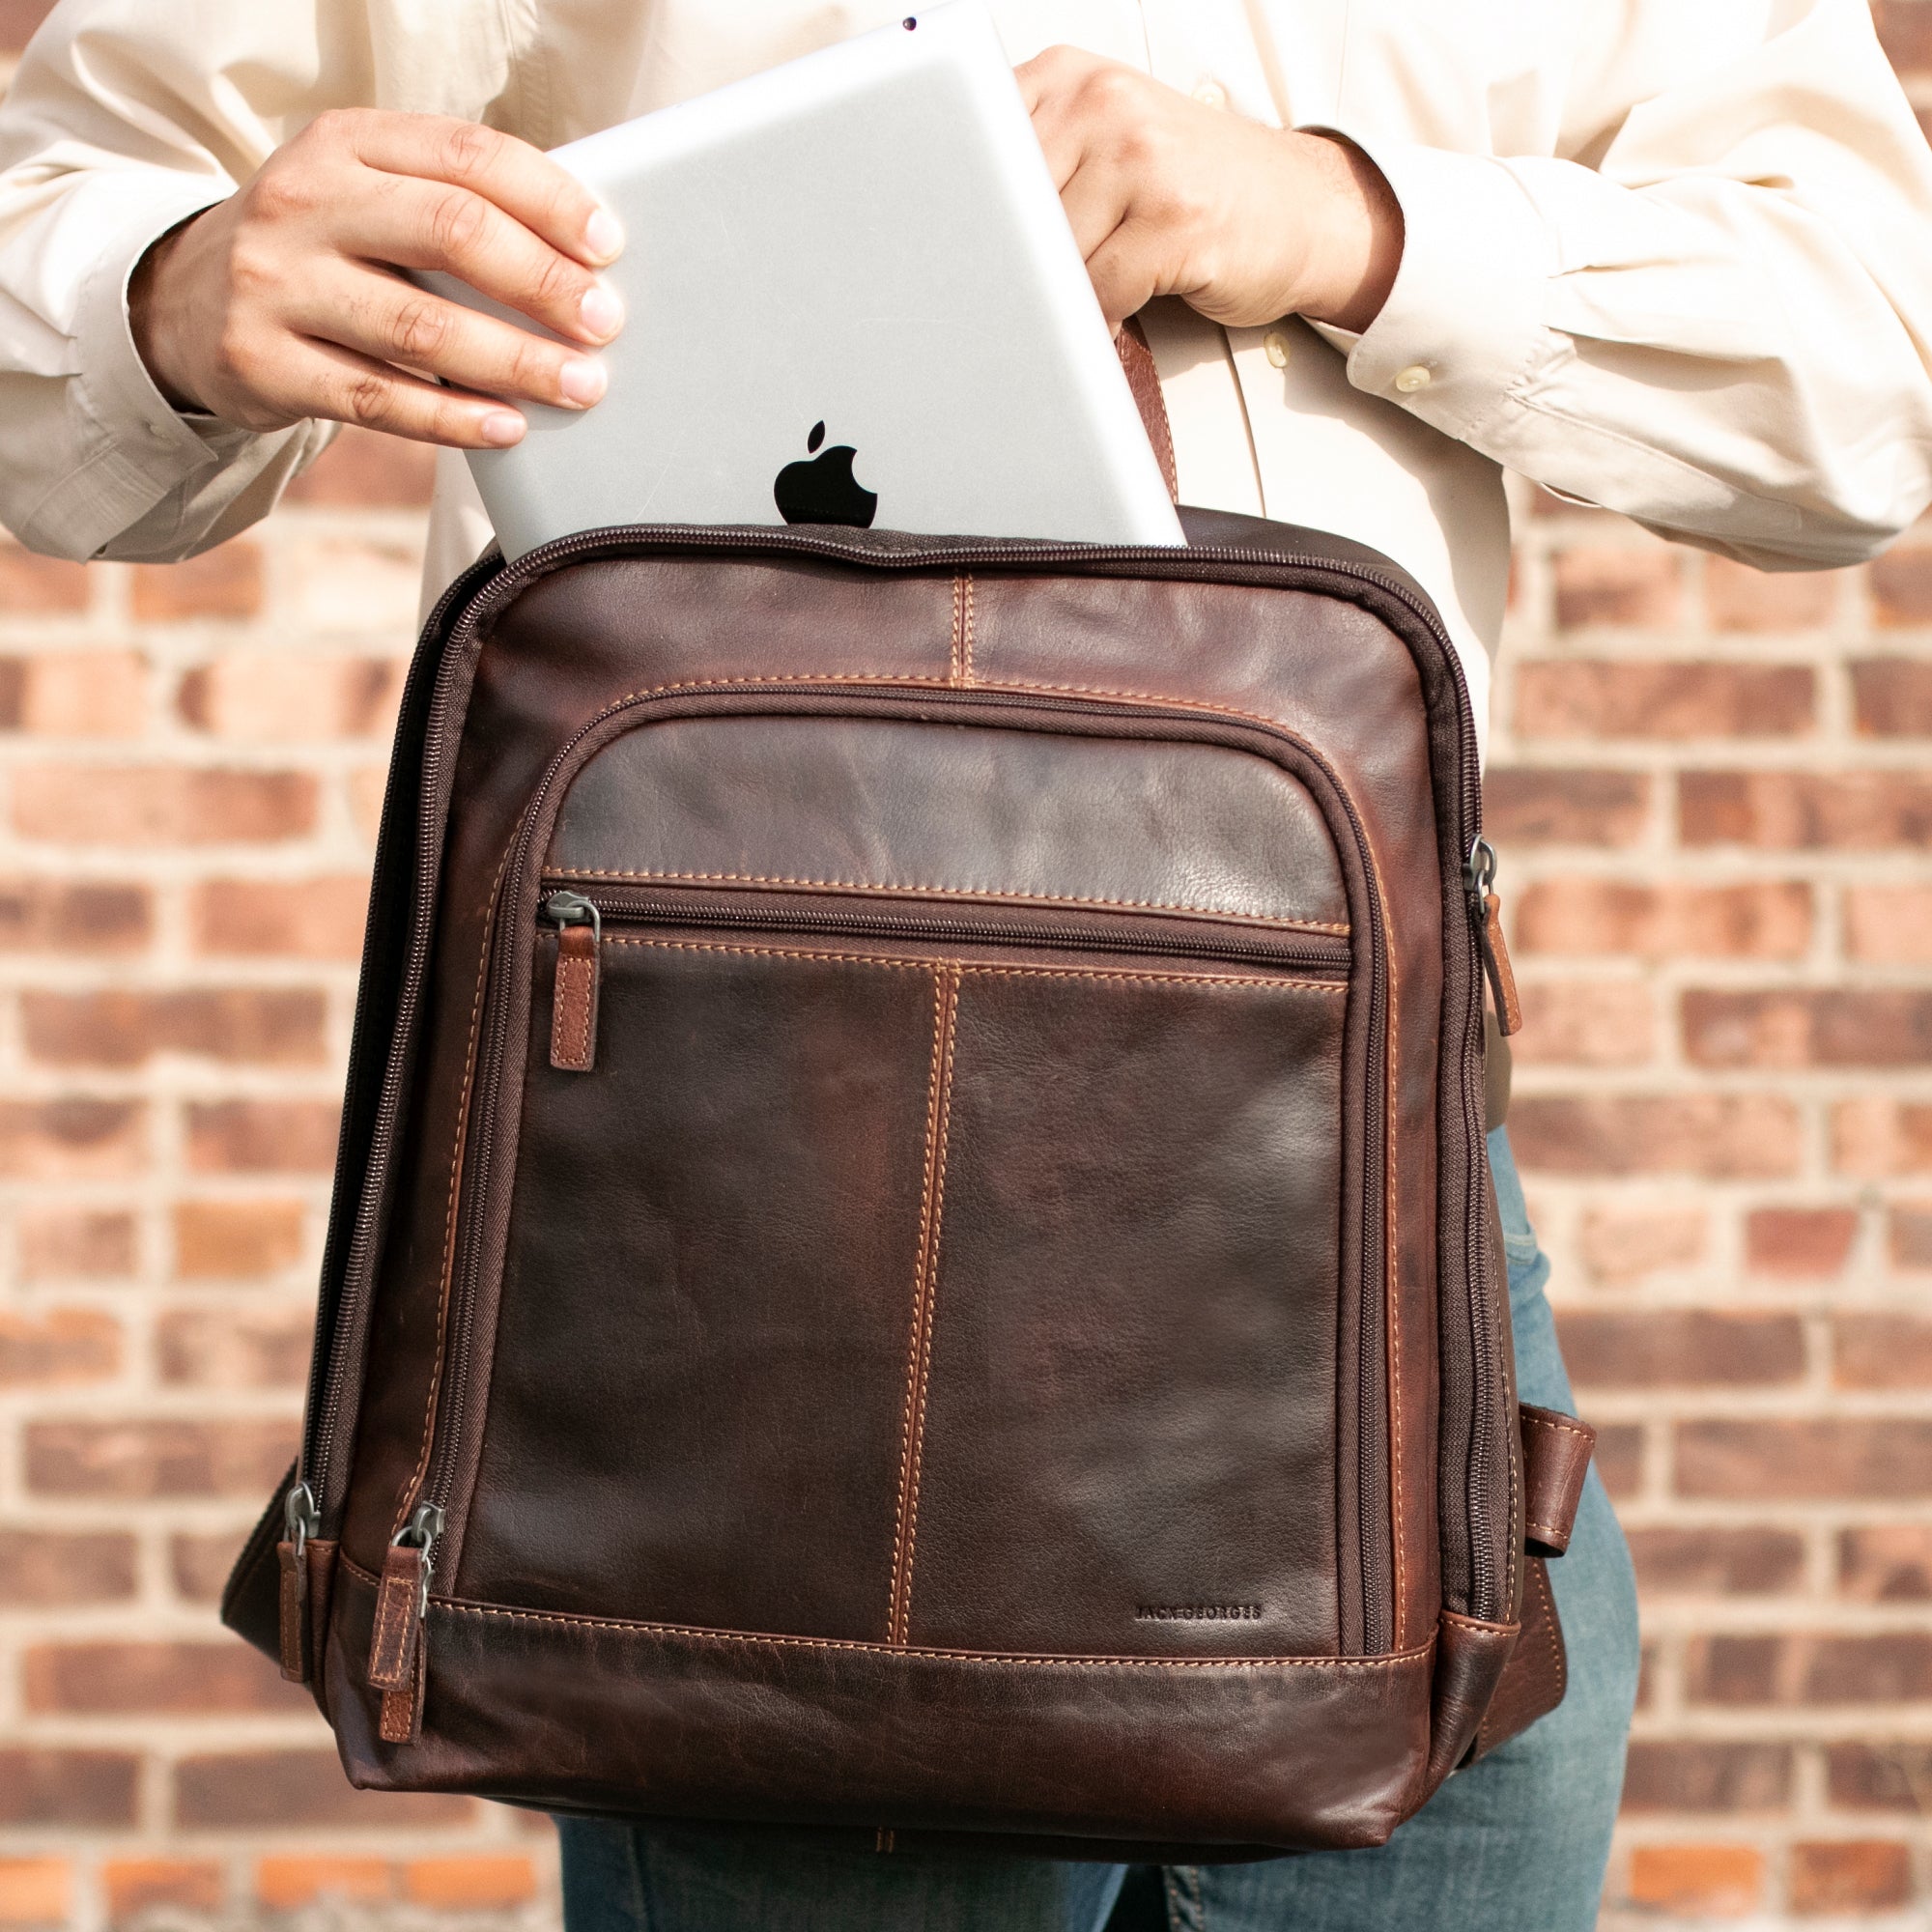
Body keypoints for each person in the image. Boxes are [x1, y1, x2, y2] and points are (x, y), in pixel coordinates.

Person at [2, 3, 1927, 1927]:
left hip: (1376, 1205)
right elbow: (59, 219)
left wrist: (1346, 222)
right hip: (760, 1233)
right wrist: (170, 292)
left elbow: (1879, 356)